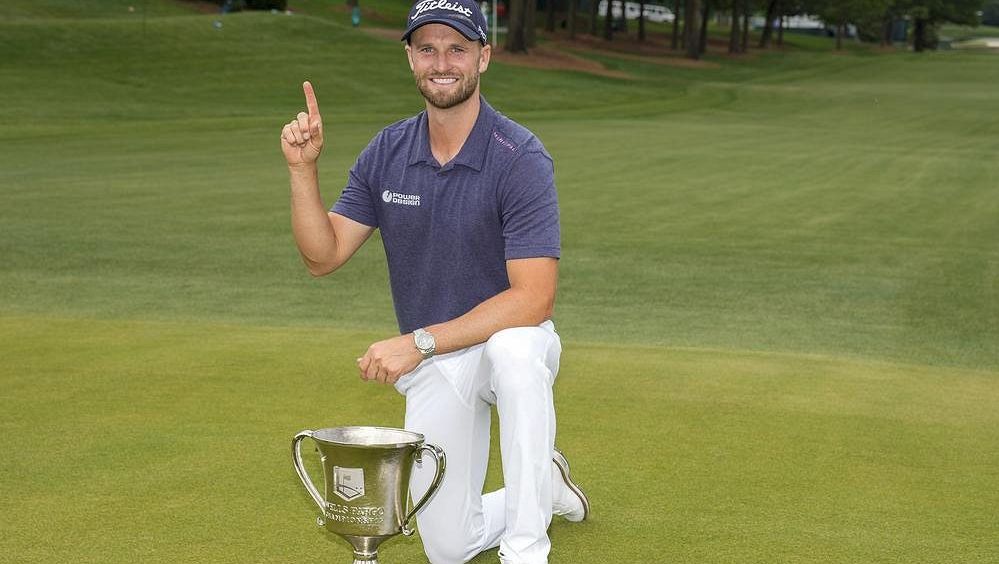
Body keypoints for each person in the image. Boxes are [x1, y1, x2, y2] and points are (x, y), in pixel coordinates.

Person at [279, 1, 589, 562]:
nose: (441, 62)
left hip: (503, 337)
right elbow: (322, 257)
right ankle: (544, 485)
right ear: (410, 57)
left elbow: (533, 297)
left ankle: (526, 550)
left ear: (483, 57)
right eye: (427, 48)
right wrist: (303, 171)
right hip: (440, 364)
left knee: (518, 354)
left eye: (457, 48)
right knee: (449, 548)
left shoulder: (519, 156)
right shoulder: (388, 151)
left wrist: (418, 342)